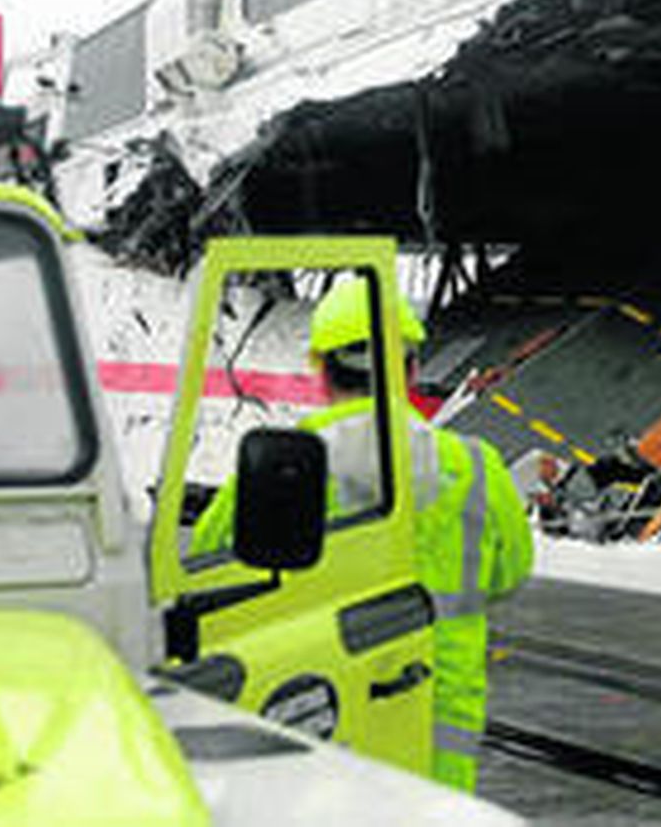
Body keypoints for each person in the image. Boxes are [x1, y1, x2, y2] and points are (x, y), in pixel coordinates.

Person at [190, 276, 533, 792]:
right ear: (412, 369)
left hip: (324, 720)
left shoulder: (284, 463)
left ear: (321, 371)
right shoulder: (477, 468)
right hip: (437, 736)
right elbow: (511, 573)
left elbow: (208, 564)